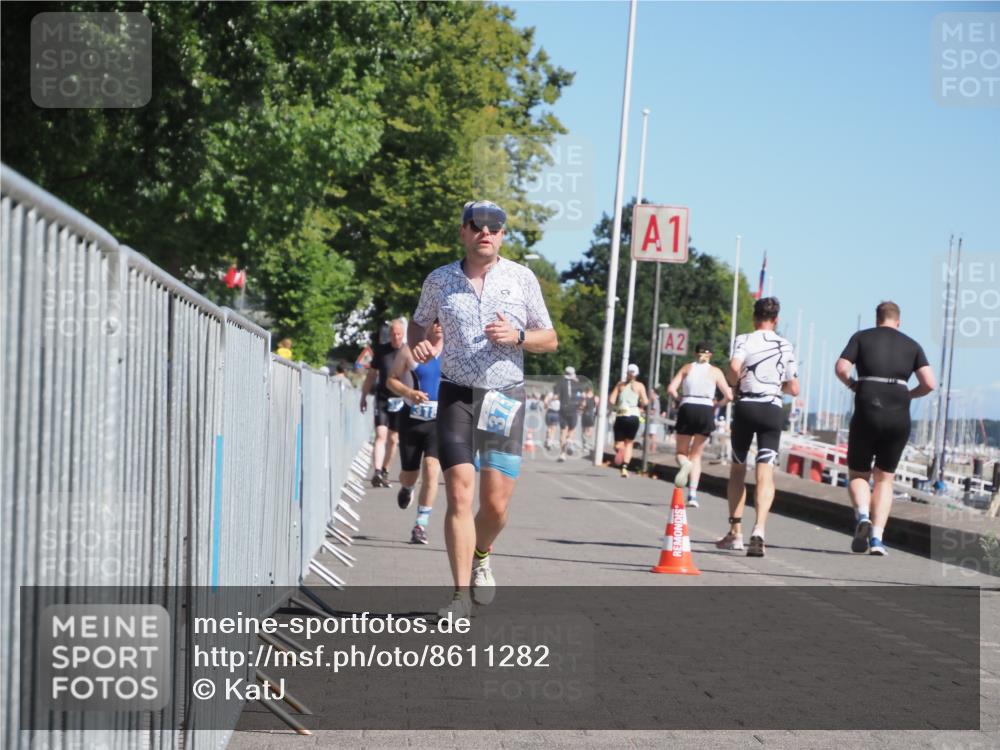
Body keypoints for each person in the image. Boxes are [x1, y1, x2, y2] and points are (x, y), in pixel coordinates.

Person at [409, 200, 557, 618]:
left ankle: (482, 553)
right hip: (457, 395)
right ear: (463, 232)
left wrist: (518, 335)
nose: (485, 232)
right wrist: (418, 342)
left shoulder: (521, 279)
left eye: (494, 227)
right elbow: (419, 322)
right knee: (458, 493)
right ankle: (458, 598)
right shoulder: (439, 280)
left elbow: (550, 339)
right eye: (476, 225)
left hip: (503, 397)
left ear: (503, 235)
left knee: (495, 506)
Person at [835, 301, 935, 556]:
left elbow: (841, 368)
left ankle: (863, 516)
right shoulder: (912, 345)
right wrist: (909, 395)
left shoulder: (861, 337)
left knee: (859, 474)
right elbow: (929, 384)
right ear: (898, 321)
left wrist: (853, 385)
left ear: (877, 319)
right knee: (885, 478)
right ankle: (877, 538)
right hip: (898, 414)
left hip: (867, 409)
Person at [720, 298, 799, 557]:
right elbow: (794, 387)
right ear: (775, 320)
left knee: (738, 469)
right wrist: (777, 386)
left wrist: (736, 382)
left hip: (746, 407)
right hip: (772, 411)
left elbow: (734, 367)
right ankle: (760, 530)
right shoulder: (786, 345)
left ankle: (735, 532)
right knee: (765, 473)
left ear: (755, 318)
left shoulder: (744, 339)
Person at [387, 320, 445, 545]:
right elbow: (391, 379)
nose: (439, 326)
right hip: (412, 420)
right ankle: (407, 487)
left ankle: (421, 525)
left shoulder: (452, 351)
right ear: (427, 325)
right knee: (409, 473)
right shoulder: (409, 349)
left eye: (443, 322)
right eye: (434, 321)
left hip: (439, 422)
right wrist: (410, 392)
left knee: (432, 469)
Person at [667, 341, 733, 508]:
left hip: (688, 406)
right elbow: (730, 396)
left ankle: (684, 464)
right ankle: (693, 495)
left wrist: (679, 398)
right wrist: (718, 404)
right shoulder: (715, 371)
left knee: (681, 452)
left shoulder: (687, 368)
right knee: (696, 455)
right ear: (710, 354)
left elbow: (671, 389)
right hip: (706, 409)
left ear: (695, 353)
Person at [360, 319, 407, 488]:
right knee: (381, 435)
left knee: (394, 439)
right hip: (382, 398)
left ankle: (385, 470)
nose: (396, 337)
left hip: (400, 400)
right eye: (393, 334)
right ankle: (377, 471)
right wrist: (364, 396)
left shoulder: (407, 351)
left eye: (399, 334)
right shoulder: (382, 351)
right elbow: (371, 376)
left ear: (403, 334)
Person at [608, 364, 649, 478]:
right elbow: (645, 402)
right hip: (634, 416)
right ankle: (625, 467)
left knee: (618, 444)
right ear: (637, 374)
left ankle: (619, 450)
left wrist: (618, 405)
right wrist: (640, 401)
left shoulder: (620, 385)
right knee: (629, 443)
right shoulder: (640, 386)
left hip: (621, 415)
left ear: (627, 373)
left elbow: (611, 400)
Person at [553, 366, 583, 461]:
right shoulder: (577, 383)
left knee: (563, 431)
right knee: (572, 428)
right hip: (573, 408)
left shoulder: (560, 382)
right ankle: (570, 440)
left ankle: (562, 454)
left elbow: (556, 396)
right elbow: (581, 397)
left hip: (563, 408)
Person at [580, 386, 598, 452]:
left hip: (591, 415)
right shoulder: (584, 397)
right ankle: (586, 444)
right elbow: (582, 405)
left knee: (589, 431)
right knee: (586, 430)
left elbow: (597, 404)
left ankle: (586, 444)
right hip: (586, 414)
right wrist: (584, 398)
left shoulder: (595, 397)